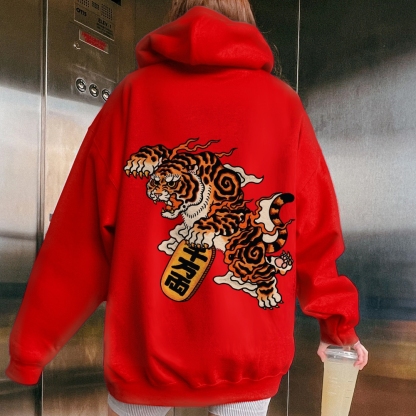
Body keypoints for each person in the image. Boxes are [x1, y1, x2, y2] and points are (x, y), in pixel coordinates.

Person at [6, 1, 368, 416]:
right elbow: (315, 232)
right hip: (248, 355)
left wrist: (30, 350)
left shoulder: (133, 96)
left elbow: (79, 236)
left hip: (144, 355)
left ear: (175, 15)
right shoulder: (283, 105)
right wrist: (338, 327)